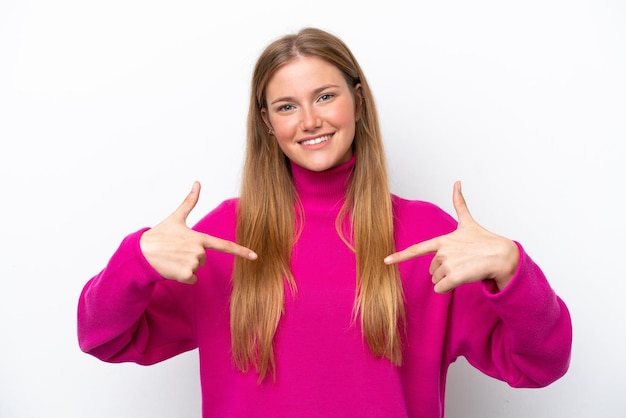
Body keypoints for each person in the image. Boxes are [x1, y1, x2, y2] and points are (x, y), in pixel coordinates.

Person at [77, 27, 572, 418]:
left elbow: (542, 364)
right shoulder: (225, 236)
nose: (309, 120)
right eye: (287, 106)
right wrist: (136, 258)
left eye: (325, 96)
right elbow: (102, 337)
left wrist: (513, 270)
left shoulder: (428, 237)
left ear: (358, 98)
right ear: (268, 124)